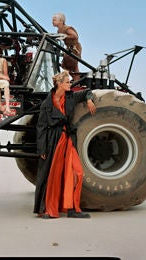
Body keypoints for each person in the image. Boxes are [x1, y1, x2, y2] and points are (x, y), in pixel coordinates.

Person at [33, 70, 96, 219]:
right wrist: (41, 148)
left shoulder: (71, 97)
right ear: (59, 84)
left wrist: (89, 100)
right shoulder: (46, 104)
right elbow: (41, 128)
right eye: (67, 82)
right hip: (53, 141)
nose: (70, 84)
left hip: (68, 139)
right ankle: (50, 209)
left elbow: (87, 91)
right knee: (53, 175)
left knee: (76, 172)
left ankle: (73, 208)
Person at [52, 12, 82, 81]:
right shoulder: (59, 30)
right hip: (69, 48)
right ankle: (75, 79)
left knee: (73, 66)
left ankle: (77, 80)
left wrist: (65, 36)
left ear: (61, 21)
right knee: (65, 65)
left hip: (74, 48)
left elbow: (75, 36)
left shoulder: (66, 28)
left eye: (54, 20)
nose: (52, 21)